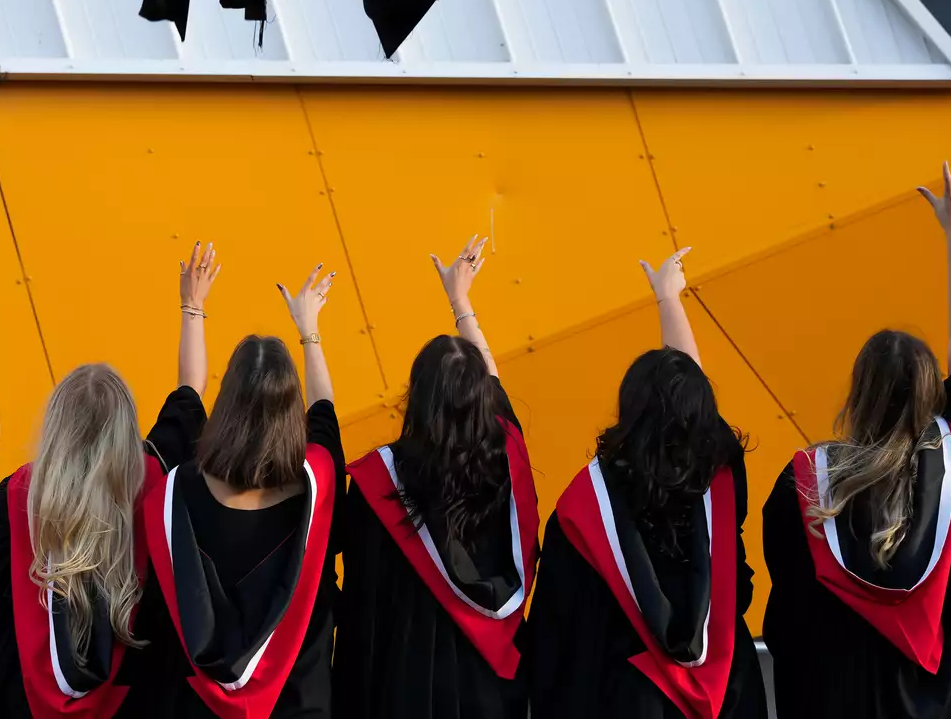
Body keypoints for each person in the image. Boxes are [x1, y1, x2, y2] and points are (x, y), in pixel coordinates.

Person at [761, 155, 951, 719]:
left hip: (847, 697)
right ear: (930, 392)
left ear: (858, 393)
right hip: (950, 695)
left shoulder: (809, 485)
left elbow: (790, 613)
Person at [0, 242, 221, 718]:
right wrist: (192, 306)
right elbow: (191, 394)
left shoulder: (20, 497)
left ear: (57, 425)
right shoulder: (150, 478)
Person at [527, 247, 766, 719]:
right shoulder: (718, 475)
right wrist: (668, 298)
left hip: (628, 696)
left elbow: (556, 636)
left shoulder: (587, 507)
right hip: (730, 693)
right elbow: (690, 397)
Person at [117, 263, 343, 718]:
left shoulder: (178, 493)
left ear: (226, 404)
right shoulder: (315, 489)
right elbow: (324, 410)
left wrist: (192, 307)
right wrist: (309, 331)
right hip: (294, 705)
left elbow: (186, 396)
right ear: (291, 411)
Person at [335, 235, 537, 718]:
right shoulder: (505, 457)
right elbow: (493, 384)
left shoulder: (380, 482)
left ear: (416, 398)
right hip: (491, 683)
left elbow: (364, 601)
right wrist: (460, 302)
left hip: (406, 679)